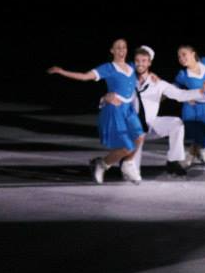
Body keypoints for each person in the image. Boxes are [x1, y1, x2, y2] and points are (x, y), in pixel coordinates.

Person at [47, 38, 145, 184]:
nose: (121, 50)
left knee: (139, 137)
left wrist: (153, 75)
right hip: (115, 110)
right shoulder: (108, 68)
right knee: (127, 146)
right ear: (112, 51)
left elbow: (146, 63)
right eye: (118, 48)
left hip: (128, 110)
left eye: (124, 47)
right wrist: (62, 72)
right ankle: (101, 164)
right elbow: (85, 76)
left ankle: (127, 163)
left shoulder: (131, 66)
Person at [102, 45, 205, 177]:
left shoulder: (158, 83)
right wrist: (105, 100)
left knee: (176, 123)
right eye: (137, 61)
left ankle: (173, 161)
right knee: (129, 175)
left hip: (152, 125)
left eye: (144, 61)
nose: (140, 64)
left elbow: (179, 94)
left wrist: (200, 91)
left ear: (149, 63)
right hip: (132, 130)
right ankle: (123, 160)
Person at [174, 44, 205, 167]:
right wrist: (186, 97)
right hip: (192, 108)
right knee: (197, 130)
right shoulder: (182, 74)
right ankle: (198, 153)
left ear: (193, 53)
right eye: (179, 57)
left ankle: (197, 151)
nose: (181, 58)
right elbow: (174, 88)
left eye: (184, 54)